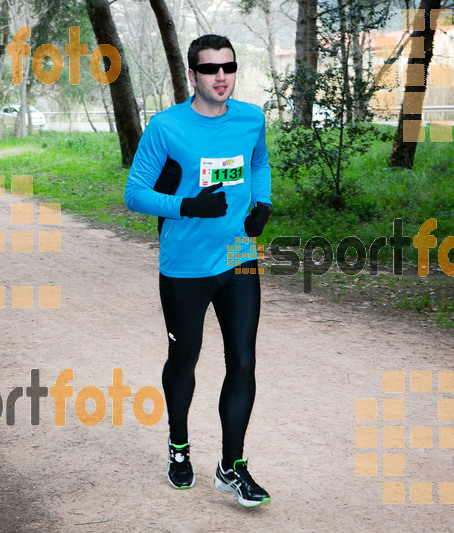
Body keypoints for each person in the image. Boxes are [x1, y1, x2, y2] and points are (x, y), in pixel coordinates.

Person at [125, 34, 273, 508]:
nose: (221, 77)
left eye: (228, 67)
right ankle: (179, 447)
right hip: (185, 266)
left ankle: (232, 466)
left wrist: (263, 203)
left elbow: (259, 162)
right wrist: (186, 204)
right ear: (192, 75)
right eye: (210, 69)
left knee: (243, 361)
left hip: (238, 258)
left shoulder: (251, 118)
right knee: (184, 360)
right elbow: (135, 193)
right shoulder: (167, 128)